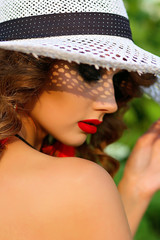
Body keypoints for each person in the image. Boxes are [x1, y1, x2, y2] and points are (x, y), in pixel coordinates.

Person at [0, 0, 159, 239]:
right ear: (26, 66)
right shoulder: (79, 182)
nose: (110, 103)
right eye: (90, 71)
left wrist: (136, 188)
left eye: (117, 80)